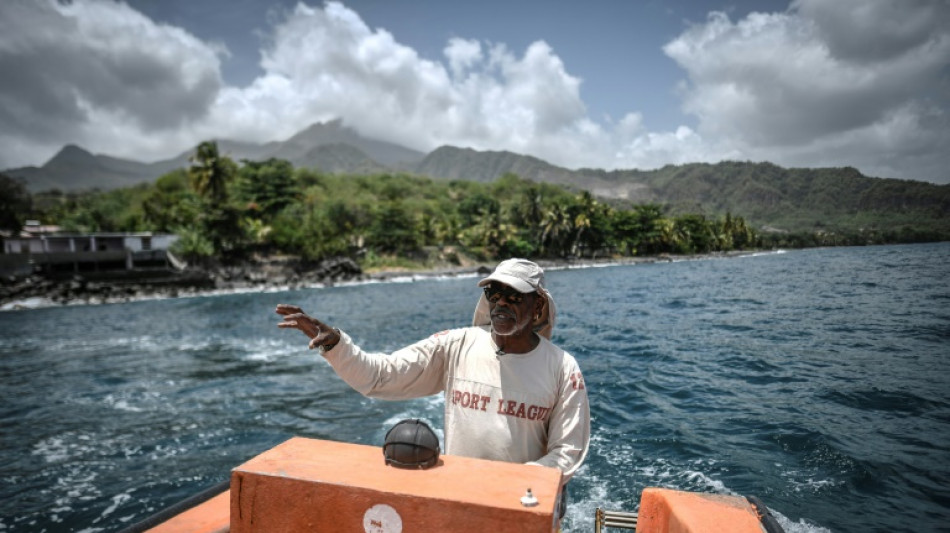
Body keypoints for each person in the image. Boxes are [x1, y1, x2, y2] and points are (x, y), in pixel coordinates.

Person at [276, 258, 590, 480]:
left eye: (513, 296)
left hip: (525, 502)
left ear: (537, 307)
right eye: (493, 294)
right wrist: (335, 345)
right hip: (456, 494)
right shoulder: (454, 345)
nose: (500, 304)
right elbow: (380, 377)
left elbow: (567, 452)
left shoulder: (563, 368)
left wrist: (512, 484)